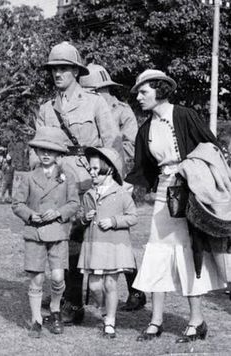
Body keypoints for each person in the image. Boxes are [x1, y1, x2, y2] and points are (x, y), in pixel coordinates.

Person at [125, 69, 226, 342]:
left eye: (144, 92)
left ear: (160, 90)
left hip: (190, 192)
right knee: (157, 252)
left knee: (188, 252)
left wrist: (188, 168)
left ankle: (197, 320)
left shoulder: (184, 115)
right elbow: (142, 169)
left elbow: (211, 149)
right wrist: (123, 189)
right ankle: (156, 320)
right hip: (163, 193)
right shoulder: (146, 128)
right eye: (137, 93)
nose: (139, 98)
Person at [33, 41, 124, 325]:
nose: (57, 74)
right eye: (53, 69)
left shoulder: (95, 102)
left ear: (75, 71)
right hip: (59, 183)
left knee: (94, 242)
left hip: (89, 177)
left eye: (63, 68)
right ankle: (70, 301)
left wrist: (112, 180)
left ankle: (88, 300)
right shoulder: (46, 108)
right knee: (62, 242)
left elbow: (112, 143)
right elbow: (38, 150)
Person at [80, 63, 146, 311]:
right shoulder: (84, 109)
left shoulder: (123, 110)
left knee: (119, 236)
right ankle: (73, 293)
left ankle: (136, 290)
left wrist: (105, 152)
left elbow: (131, 144)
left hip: (116, 177)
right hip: (91, 174)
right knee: (89, 230)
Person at [12, 127, 79, 338]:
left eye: (51, 151)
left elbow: (74, 203)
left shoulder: (67, 177)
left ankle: (56, 309)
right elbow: (17, 204)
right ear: (37, 153)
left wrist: (58, 212)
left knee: (58, 277)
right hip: (35, 233)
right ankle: (36, 320)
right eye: (42, 150)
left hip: (58, 232)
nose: (46, 155)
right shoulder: (28, 177)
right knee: (37, 279)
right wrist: (31, 215)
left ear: (59, 155)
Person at [77, 147, 137, 338]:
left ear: (109, 169)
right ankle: (104, 310)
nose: (92, 173)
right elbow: (80, 217)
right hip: (94, 247)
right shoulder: (88, 194)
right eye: (90, 170)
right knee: (94, 286)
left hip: (113, 246)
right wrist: (85, 218)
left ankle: (110, 322)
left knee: (111, 284)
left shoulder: (121, 193)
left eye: (96, 169)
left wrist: (113, 221)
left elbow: (133, 217)